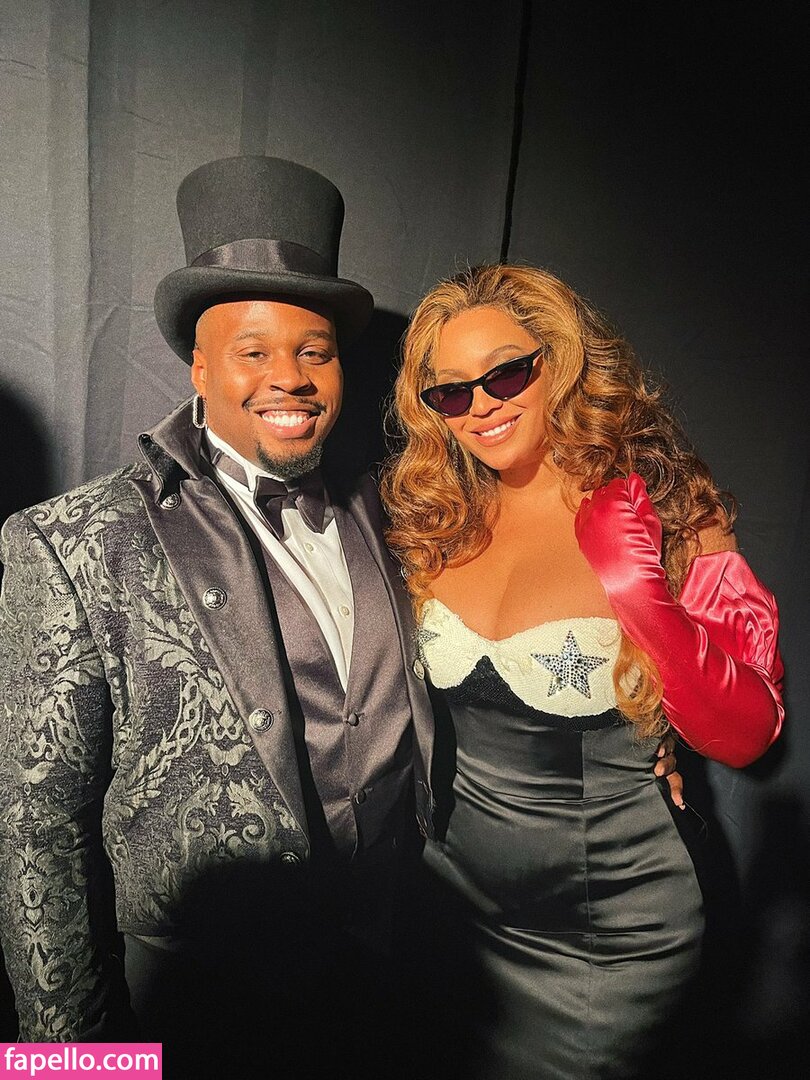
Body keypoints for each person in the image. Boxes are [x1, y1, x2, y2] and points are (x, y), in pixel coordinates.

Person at [0, 155, 438, 1079]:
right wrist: (72, 1066)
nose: (291, 378)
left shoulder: (398, 513)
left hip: (384, 993)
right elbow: (39, 831)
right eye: (253, 351)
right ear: (199, 367)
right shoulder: (76, 541)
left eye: (314, 350)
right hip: (197, 1012)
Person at [381, 263, 784, 1080]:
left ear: (560, 360)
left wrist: (643, 599)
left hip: (608, 944)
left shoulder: (669, 510)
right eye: (451, 392)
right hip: (448, 920)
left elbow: (749, 738)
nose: (481, 405)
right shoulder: (434, 519)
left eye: (505, 373)